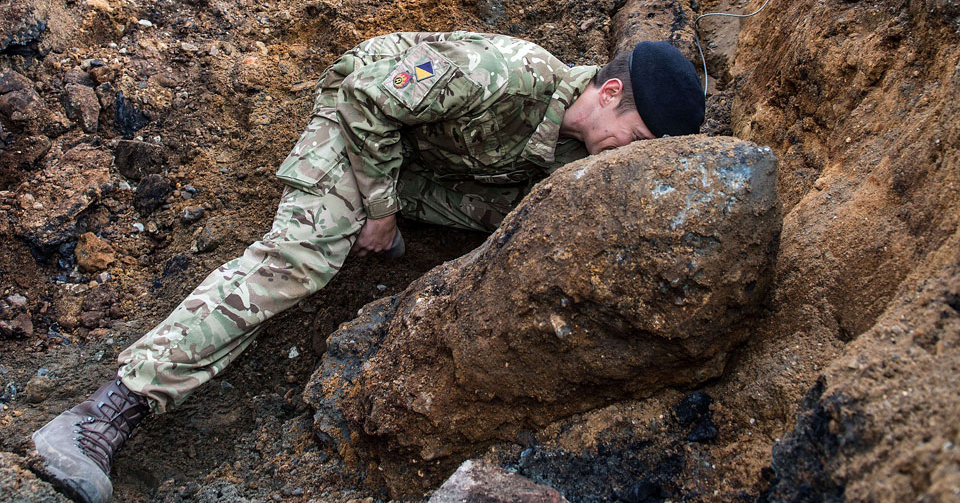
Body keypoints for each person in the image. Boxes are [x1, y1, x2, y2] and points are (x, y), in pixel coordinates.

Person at [31, 32, 705, 503]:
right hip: (360, 115)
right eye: (637, 139)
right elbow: (367, 99)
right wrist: (380, 210)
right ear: (609, 92)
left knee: (519, 221)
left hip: (425, 157)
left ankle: (377, 211)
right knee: (303, 261)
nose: (626, 159)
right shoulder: (503, 72)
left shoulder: (574, 156)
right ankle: (104, 413)